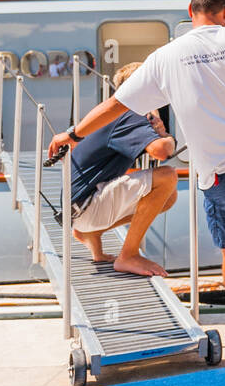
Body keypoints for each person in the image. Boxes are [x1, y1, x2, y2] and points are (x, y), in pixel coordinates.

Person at [48, 0, 225, 363]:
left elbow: (116, 106)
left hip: (215, 173)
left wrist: (71, 133)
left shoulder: (166, 56)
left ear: (191, 12)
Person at [66, 61, 178, 278]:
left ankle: (91, 234)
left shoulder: (116, 114)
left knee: (168, 198)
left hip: (77, 207)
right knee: (167, 176)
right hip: (86, 204)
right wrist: (166, 136)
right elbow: (161, 152)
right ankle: (128, 255)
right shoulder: (132, 113)